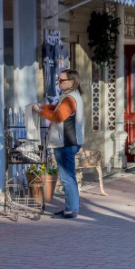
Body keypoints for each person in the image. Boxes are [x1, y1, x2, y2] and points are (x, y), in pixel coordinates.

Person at [34, 69, 84, 219]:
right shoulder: (71, 96)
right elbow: (56, 109)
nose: (59, 83)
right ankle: (71, 207)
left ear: (72, 82)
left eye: (62, 80)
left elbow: (58, 116)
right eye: (58, 80)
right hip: (69, 141)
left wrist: (39, 111)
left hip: (65, 143)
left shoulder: (69, 99)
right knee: (69, 176)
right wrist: (43, 107)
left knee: (67, 177)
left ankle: (71, 210)